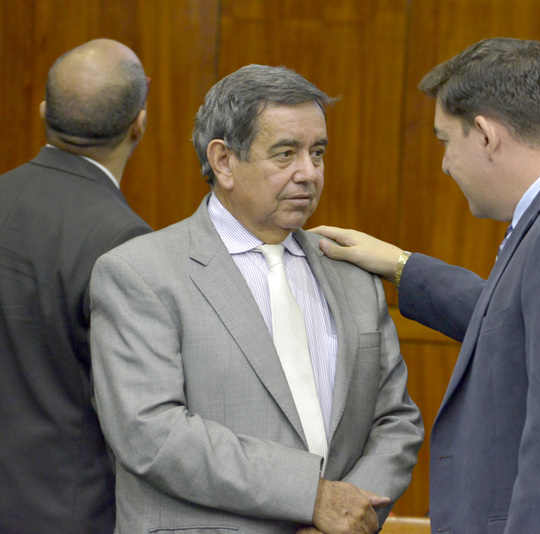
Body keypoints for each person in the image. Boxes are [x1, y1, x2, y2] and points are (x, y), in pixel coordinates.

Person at [312, 38, 540, 533]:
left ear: (486, 135)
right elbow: (527, 329)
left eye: (445, 141)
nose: (445, 164)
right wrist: (401, 265)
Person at [89, 64, 423, 534]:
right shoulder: (140, 273)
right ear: (224, 161)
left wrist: (351, 512)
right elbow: (151, 433)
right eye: (285, 154)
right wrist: (312, 497)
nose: (309, 173)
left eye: (318, 153)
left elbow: (396, 420)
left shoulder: (351, 274)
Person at [0, 39, 151, 533]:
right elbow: (135, 414)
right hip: (66, 512)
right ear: (139, 124)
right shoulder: (123, 241)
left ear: (44, 110)